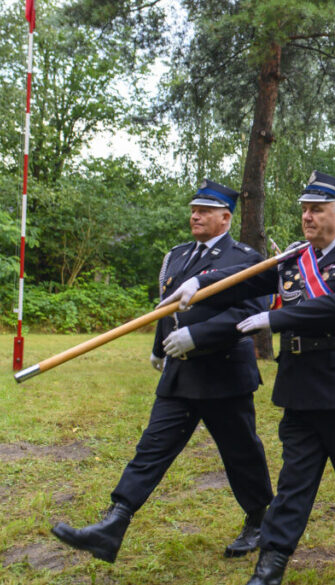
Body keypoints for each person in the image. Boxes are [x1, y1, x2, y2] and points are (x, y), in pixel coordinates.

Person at [163, 172, 335, 585]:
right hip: (299, 387)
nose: (307, 216)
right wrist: (200, 283)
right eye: (304, 209)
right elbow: (244, 281)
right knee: (293, 484)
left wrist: (276, 317)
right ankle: (271, 567)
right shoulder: (296, 259)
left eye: (316, 210)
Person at [52, 180, 273, 563]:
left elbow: (248, 312)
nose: (195, 216)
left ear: (226, 217)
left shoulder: (244, 258)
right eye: (193, 209)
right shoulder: (177, 256)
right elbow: (166, 307)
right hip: (181, 375)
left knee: (241, 454)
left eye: (205, 211)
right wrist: (160, 347)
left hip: (223, 374)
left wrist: (197, 336)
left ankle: (259, 520)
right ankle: (113, 524)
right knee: (150, 450)